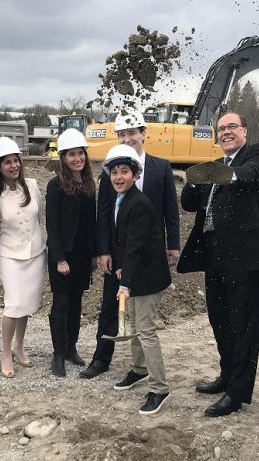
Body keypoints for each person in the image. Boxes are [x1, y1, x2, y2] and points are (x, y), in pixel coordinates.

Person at [177, 112, 259, 417]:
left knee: (243, 325)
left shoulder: (254, 155)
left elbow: (252, 174)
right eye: (221, 129)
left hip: (245, 256)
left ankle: (238, 392)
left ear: (244, 130)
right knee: (220, 320)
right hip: (215, 255)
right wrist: (195, 178)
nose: (226, 132)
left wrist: (222, 174)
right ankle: (227, 374)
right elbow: (190, 204)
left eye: (232, 127)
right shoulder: (216, 167)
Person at [80, 109, 180, 379]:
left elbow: (171, 210)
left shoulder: (160, 166)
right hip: (118, 255)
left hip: (148, 253)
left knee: (139, 317)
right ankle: (101, 359)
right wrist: (104, 250)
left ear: (143, 134)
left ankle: (143, 370)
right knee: (111, 307)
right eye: (122, 134)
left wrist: (173, 244)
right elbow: (103, 213)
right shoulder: (111, 169)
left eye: (132, 133)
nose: (127, 138)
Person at [102, 144, 172, 415]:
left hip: (147, 277)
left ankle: (159, 387)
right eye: (115, 172)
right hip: (133, 273)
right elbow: (123, 241)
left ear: (134, 174)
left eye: (125, 172)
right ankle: (139, 369)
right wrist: (120, 269)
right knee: (134, 322)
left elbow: (136, 246)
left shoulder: (139, 204)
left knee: (145, 330)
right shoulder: (123, 199)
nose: (119, 177)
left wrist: (124, 282)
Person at [0, 137, 46, 379]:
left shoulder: (31, 186)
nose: (14, 166)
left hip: (36, 254)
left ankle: (20, 346)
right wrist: (12, 249)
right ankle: (5, 351)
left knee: (27, 305)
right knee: (13, 305)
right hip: (10, 256)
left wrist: (34, 245)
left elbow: (37, 220)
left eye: (16, 160)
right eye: (7, 162)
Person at [45, 129, 97, 377]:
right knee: (61, 302)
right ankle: (57, 353)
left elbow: (93, 222)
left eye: (80, 154)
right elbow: (52, 225)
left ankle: (71, 348)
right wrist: (60, 259)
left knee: (76, 302)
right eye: (72, 155)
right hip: (63, 255)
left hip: (83, 255)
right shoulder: (55, 186)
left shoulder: (88, 185)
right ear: (63, 158)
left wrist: (95, 254)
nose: (77, 159)